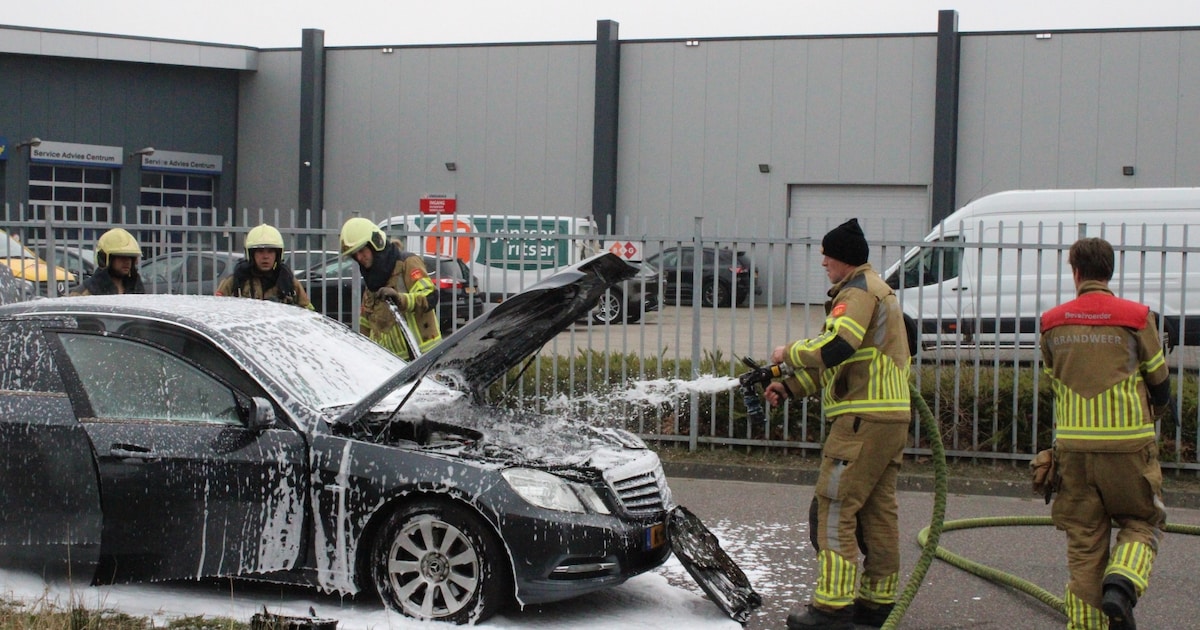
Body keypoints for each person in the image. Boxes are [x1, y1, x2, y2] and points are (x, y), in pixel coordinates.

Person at [762, 218, 912, 630]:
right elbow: (842, 361)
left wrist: (788, 352)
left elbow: (838, 345)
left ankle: (831, 609)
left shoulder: (858, 293)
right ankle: (876, 606)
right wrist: (789, 387)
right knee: (878, 511)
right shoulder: (873, 290)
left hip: (861, 419)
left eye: (827, 254)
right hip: (888, 418)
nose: (823, 261)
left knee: (834, 507)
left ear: (843, 257)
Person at [1039, 237, 1170, 630]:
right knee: (1143, 522)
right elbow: (1160, 383)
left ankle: (1086, 625)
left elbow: (1052, 381)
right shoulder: (1136, 317)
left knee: (1083, 545)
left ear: (1075, 271)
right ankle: (1123, 584)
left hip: (1074, 453)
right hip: (1129, 449)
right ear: (1109, 271)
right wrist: (1152, 416)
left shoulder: (1051, 322)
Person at [339, 217, 441, 359]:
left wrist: (400, 299)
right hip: (387, 363)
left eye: (362, 250)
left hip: (420, 358)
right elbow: (365, 321)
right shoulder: (372, 279)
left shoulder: (407, 263)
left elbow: (430, 296)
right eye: (354, 255)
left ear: (375, 243)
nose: (359, 257)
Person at [215, 223, 314, 309]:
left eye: (270, 252)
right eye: (260, 252)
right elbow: (217, 309)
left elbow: (307, 310)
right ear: (252, 254)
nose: (265, 257)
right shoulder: (236, 280)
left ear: (277, 255)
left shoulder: (288, 280)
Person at [70, 228, 145, 296]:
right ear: (104, 259)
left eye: (130, 257)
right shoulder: (85, 293)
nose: (127, 261)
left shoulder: (136, 287)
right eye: (121, 256)